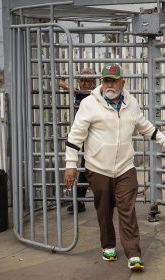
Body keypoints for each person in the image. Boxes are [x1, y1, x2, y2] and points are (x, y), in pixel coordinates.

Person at [64, 63, 165, 271]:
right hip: (98, 168)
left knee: (127, 209)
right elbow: (75, 136)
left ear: (122, 82)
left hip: (126, 167)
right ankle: (108, 245)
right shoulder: (89, 104)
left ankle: (134, 253)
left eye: (113, 81)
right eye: (106, 80)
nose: (109, 85)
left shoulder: (132, 103)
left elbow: (145, 126)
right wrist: (71, 165)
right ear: (102, 81)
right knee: (104, 209)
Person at [59, 67, 97, 214]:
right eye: (81, 80)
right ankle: (79, 201)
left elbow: (76, 91)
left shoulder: (92, 95)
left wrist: (63, 84)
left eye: (87, 80)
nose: (83, 83)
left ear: (94, 83)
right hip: (83, 135)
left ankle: (83, 200)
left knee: (88, 167)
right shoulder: (82, 94)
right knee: (85, 167)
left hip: (93, 137)